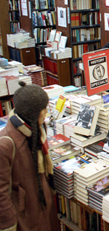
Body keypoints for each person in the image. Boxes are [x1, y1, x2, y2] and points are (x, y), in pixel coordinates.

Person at [0, 82, 61, 231]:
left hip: (43, 205)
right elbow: (1, 192)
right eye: (44, 109)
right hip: (25, 215)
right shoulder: (5, 144)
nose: (46, 112)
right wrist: (9, 225)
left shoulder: (36, 130)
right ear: (33, 113)